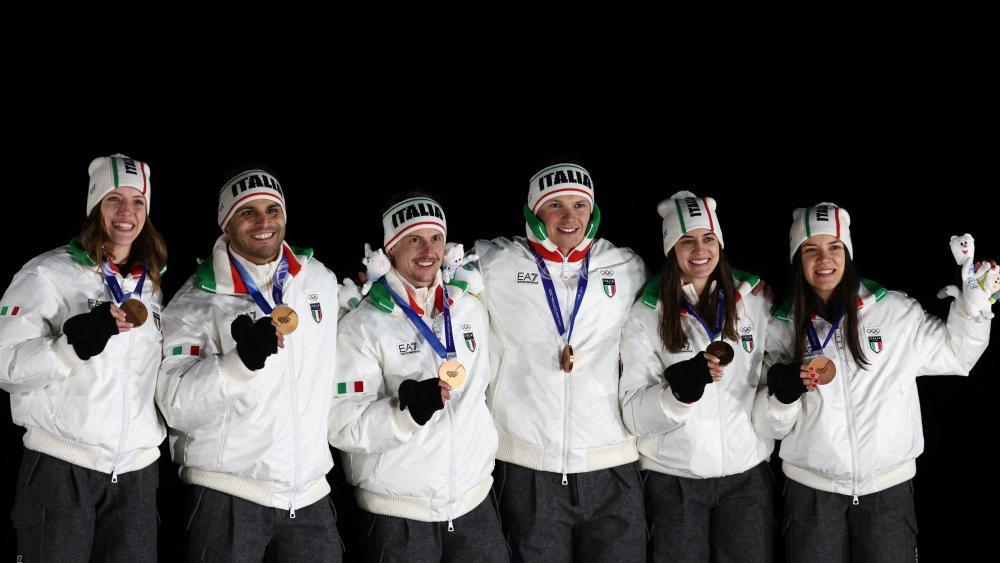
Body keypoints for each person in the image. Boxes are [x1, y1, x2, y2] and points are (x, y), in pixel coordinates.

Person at [754, 202, 993, 561]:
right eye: (810, 249)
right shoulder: (779, 327)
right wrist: (782, 398)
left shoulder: (895, 312)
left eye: (834, 246)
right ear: (797, 258)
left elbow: (957, 355)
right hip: (811, 494)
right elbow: (766, 426)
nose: (824, 258)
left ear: (847, 253)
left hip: (888, 492)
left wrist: (973, 314)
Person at [156, 168, 343, 561]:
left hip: (310, 497)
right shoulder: (194, 302)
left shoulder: (319, 280)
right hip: (227, 495)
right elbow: (176, 407)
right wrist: (239, 363)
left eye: (272, 210)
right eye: (248, 212)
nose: (264, 222)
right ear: (226, 223)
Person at [472, 163, 647, 562]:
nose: (570, 217)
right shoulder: (493, 262)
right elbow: (425, 275)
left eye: (579, 205)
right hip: (527, 466)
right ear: (535, 211)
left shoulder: (627, 267)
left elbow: (678, 295)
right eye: (556, 205)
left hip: (612, 463)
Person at [0, 154, 166, 561]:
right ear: (95, 205)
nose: (127, 212)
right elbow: (6, 366)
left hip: (136, 475)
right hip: (62, 465)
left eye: (138, 201)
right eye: (114, 199)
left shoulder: (151, 286)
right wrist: (68, 347)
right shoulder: (46, 274)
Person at [330, 194, 506, 562]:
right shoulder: (361, 325)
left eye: (436, 238)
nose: (429, 251)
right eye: (414, 239)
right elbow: (342, 426)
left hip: (475, 503)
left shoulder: (470, 308)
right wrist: (404, 413)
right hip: (398, 513)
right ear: (390, 250)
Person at [619, 190, 774, 561]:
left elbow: (774, 365)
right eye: (687, 240)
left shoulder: (754, 300)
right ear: (671, 248)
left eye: (708, 238)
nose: (700, 249)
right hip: (674, 479)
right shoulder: (646, 313)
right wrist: (676, 394)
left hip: (746, 476)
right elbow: (633, 415)